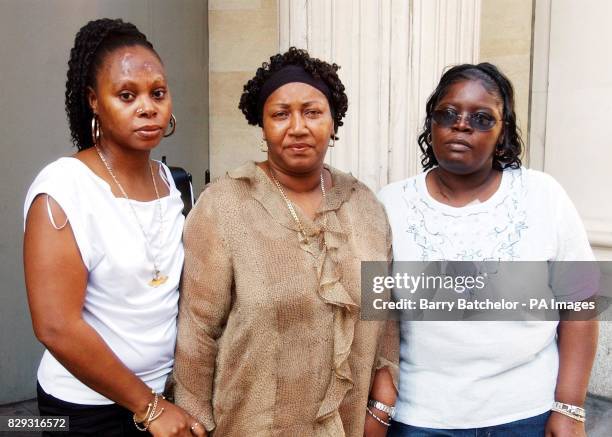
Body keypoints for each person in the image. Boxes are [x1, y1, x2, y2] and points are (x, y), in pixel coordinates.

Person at [172, 47, 399, 436]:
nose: (297, 127)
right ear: (262, 126)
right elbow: (196, 335)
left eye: (312, 112)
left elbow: (384, 317)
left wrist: (380, 409)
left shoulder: (366, 207)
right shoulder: (224, 207)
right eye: (280, 114)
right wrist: (196, 425)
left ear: (333, 121)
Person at [378, 63, 599, 436]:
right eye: (448, 113)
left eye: (482, 118)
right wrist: (382, 406)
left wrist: (570, 407)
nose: (462, 125)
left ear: (503, 133)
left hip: (527, 414)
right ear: (431, 124)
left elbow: (581, 303)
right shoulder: (390, 204)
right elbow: (380, 319)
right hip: (420, 418)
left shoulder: (543, 196)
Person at [23, 18, 204, 436]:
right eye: (127, 95)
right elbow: (56, 326)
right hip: (87, 409)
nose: (147, 106)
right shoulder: (64, 188)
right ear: (94, 101)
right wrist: (150, 408)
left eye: (157, 93)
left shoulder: (168, 182)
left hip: (166, 392)